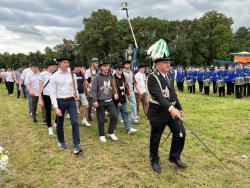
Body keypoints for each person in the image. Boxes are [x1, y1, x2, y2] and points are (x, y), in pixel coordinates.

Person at [147, 39, 186, 173]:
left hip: (171, 112)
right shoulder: (152, 77)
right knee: (156, 138)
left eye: (169, 62)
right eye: (165, 62)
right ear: (158, 64)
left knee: (180, 133)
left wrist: (179, 107)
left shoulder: (169, 76)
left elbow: (172, 93)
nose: (168, 65)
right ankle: (154, 159)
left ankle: (174, 157)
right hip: (158, 113)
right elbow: (159, 96)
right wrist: (171, 108)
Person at [49, 54, 82, 154]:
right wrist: (55, 107)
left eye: (68, 62)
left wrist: (77, 94)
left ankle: (76, 144)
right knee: (60, 122)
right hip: (60, 101)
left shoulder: (72, 75)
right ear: (59, 63)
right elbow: (52, 93)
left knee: (75, 122)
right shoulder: (54, 76)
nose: (67, 64)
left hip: (71, 100)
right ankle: (61, 141)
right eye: (65, 62)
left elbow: (75, 87)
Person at [91, 60, 119, 142]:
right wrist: (94, 100)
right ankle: (102, 134)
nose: (106, 68)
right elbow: (93, 90)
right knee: (101, 119)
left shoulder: (111, 76)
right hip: (100, 101)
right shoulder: (97, 77)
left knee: (114, 116)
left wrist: (115, 93)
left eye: (107, 66)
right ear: (101, 67)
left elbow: (113, 86)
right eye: (104, 66)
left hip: (110, 100)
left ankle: (110, 132)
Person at [113, 62, 137, 134]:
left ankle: (129, 128)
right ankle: (112, 129)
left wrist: (127, 93)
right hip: (116, 101)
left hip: (123, 99)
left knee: (125, 114)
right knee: (115, 116)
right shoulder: (113, 78)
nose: (120, 70)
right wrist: (117, 102)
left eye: (121, 69)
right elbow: (114, 92)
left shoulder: (123, 77)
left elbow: (125, 87)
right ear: (115, 70)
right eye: (118, 69)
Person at [38, 59, 57, 135]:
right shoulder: (43, 74)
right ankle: (49, 127)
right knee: (48, 112)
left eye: (56, 66)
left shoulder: (56, 74)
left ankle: (55, 122)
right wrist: (40, 98)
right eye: (54, 66)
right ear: (50, 66)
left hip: (56, 95)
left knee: (59, 110)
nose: (56, 68)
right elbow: (40, 87)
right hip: (47, 95)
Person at [73, 61, 91, 127]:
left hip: (82, 93)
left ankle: (84, 120)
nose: (79, 68)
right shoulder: (72, 74)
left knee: (86, 106)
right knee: (74, 109)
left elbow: (84, 82)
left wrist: (88, 87)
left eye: (80, 67)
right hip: (74, 94)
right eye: (78, 67)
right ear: (74, 67)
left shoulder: (81, 74)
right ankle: (74, 121)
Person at [85, 57, 99, 122]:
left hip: (97, 89)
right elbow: (85, 80)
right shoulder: (88, 71)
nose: (97, 64)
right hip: (90, 89)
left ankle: (100, 116)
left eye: (97, 63)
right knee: (90, 104)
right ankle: (89, 116)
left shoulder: (98, 71)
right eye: (96, 63)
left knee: (99, 103)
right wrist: (89, 86)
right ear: (92, 63)